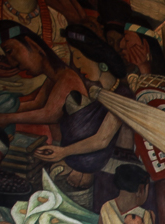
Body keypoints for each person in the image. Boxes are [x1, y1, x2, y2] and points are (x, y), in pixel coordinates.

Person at [33, 24, 132, 190]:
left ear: (98, 59)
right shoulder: (94, 91)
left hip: (110, 179)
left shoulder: (122, 95)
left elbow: (102, 139)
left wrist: (63, 152)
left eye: (78, 57)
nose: (76, 65)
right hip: (81, 168)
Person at [0, 20, 85, 142]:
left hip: (75, 152)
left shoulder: (67, 78)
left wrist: (5, 118)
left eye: (10, 51)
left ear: (32, 44)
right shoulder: (52, 79)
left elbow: (50, 114)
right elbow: (36, 103)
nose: (12, 63)